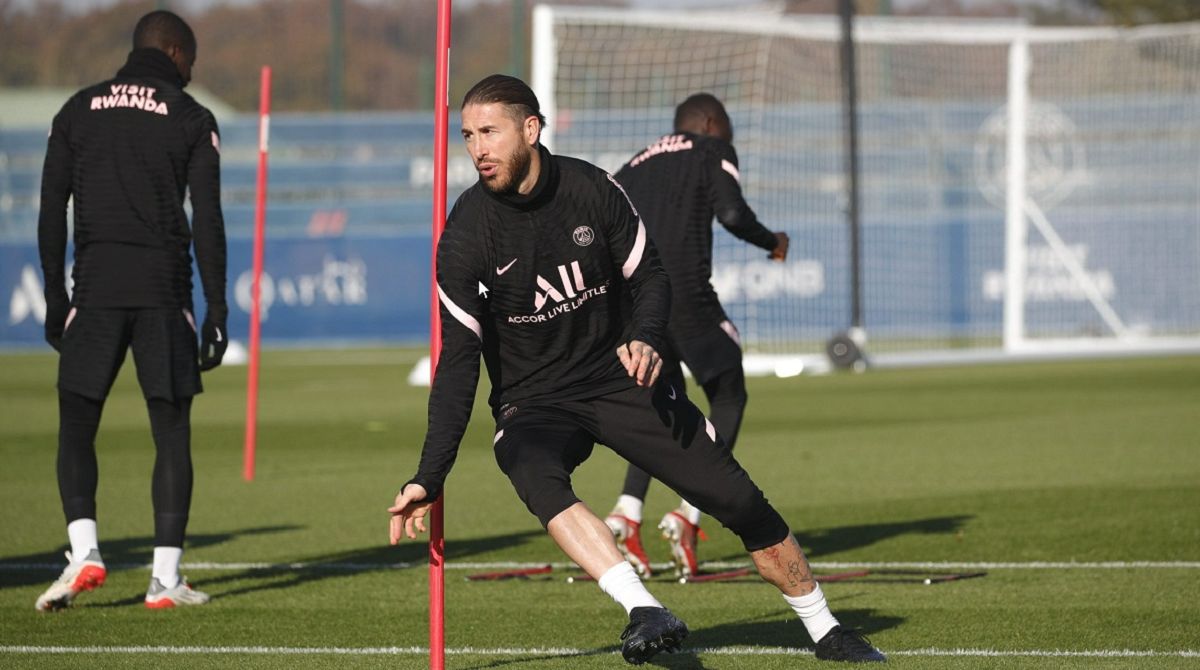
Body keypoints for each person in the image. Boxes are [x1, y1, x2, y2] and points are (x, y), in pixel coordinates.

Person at [388, 74, 884, 664]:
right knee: (531, 468)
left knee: (741, 502)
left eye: (489, 132)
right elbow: (458, 364)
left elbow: (650, 276)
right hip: (534, 398)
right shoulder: (466, 234)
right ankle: (644, 609)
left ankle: (828, 631)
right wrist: (429, 474)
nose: (477, 149)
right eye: (467, 135)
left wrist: (647, 337)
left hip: (618, 377)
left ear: (531, 128)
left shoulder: (593, 189)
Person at [35, 10, 226, 611]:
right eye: (189, 62)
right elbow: (208, 221)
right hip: (164, 293)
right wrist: (216, 307)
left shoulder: (75, 110)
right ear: (173, 52)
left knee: (76, 425)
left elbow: (49, 213)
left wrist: (54, 296)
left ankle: (84, 551)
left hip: (93, 290)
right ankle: (164, 580)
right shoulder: (192, 117)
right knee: (170, 433)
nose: (191, 74)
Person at [604, 93, 789, 580]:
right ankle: (688, 513)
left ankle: (626, 511)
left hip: (635, 306)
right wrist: (772, 241)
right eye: (727, 128)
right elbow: (731, 214)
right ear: (710, 123)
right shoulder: (711, 150)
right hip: (684, 296)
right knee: (729, 395)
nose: (730, 138)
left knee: (664, 405)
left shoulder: (632, 166)